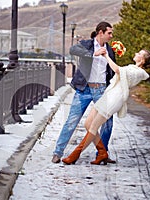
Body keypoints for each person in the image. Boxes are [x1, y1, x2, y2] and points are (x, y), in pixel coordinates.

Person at [62, 49, 150, 165]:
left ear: (143, 60)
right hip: (108, 95)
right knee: (88, 124)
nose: (136, 54)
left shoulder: (140, 73)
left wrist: (106, 56)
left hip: (115, 99)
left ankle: (74, 156)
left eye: (139, 54)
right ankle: (102, 153)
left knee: (93, 127)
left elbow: (117, 70)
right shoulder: (132, 67)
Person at [52, 21, 116, 164]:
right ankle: (57, 152)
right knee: (71, 121)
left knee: (108, 123)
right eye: (109, 33)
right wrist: (94, 53)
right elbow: (73, 50)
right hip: (84, 89)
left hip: (101, 90)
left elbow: (111, 70)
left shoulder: (110, 50)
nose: (111, 36)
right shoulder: (87, 44)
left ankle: (102, 153)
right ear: (101, 32)